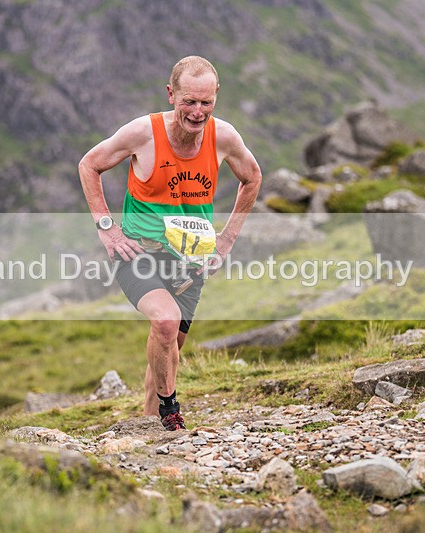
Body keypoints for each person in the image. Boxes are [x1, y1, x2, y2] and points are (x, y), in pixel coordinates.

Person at [78, 56, 262, 430]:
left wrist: (226, 240)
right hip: (139, 252)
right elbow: (89, 165)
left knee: (169, 346)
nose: (197, 112)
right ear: (171, 94)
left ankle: (150, 426)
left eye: (206, 102)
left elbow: (253, 177)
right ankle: (169, 410)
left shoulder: (224, 137)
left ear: (216, 95)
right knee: (164, 322)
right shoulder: (142, 133)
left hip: (191, 259)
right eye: (189, 101)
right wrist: (107, 227)